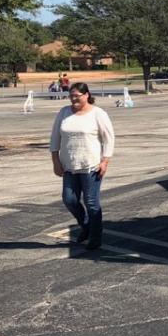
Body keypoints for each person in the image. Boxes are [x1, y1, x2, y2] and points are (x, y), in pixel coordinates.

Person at [49, 82, 114, 249]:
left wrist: (105, 161)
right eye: (71, 96)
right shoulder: (64, 112)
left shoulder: (98, 114)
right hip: (69, 165)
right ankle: (85, 225)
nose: (73, 99)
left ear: (86, 95)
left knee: (91, 203)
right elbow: (55, 137)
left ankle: (95, 237)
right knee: (69, 200)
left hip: (91, 166)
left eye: (76, 96)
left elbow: (109, 138)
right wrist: (55, 161)